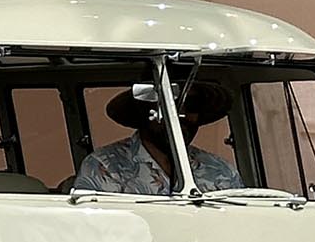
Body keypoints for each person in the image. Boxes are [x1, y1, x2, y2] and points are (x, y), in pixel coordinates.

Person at [72, 81, 240, 195]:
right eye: (167, 104)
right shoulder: (105, 166)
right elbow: (94, 232)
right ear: (144, 109)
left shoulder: (221, 170)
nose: (179, 115)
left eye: (192, 104)